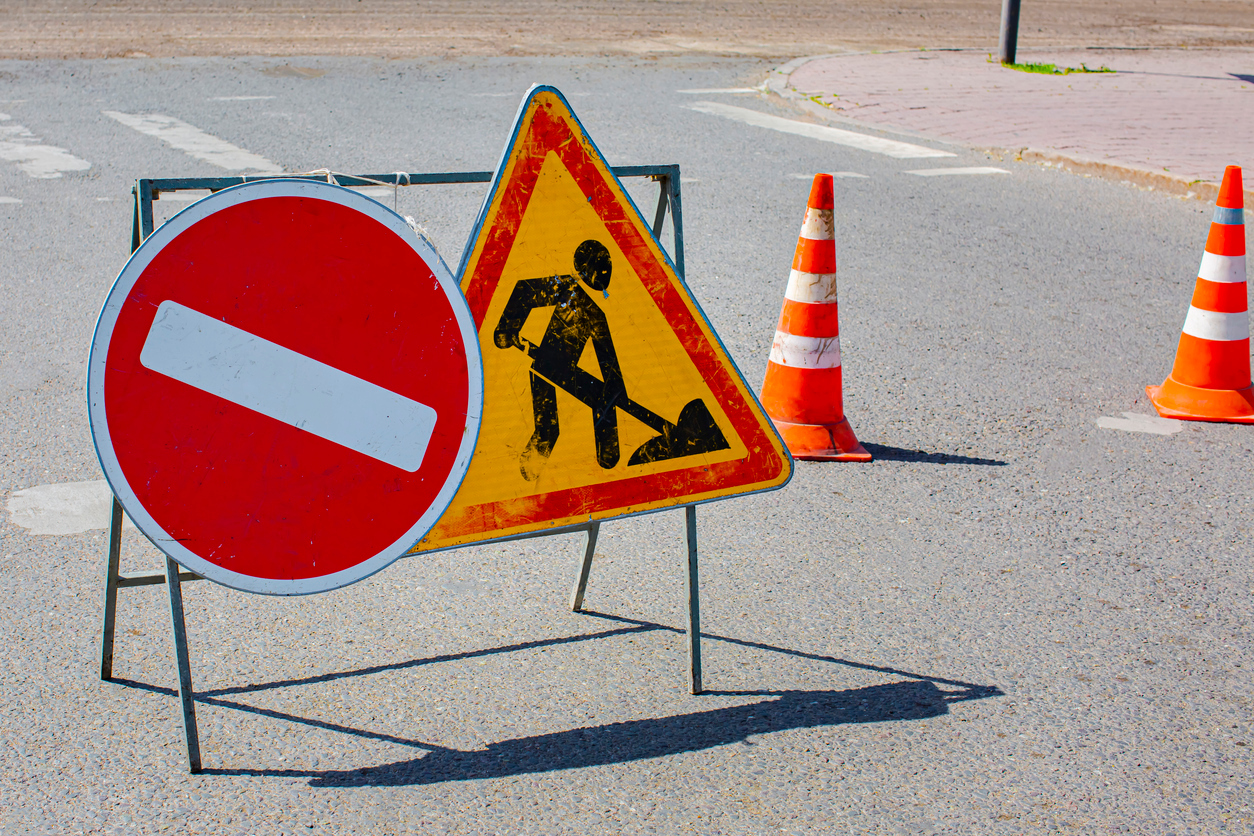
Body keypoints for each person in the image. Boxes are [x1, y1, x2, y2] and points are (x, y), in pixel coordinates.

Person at [494, 239, 625, 481]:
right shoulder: (566, 287)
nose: (606, 275)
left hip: (556, 370)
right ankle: (530, 474)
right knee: (555, 425)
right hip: (549, 366)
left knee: (589, 404)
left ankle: (608, 458)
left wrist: (616, 389)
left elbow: (607, 357)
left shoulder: (596, 313)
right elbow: (525, 290)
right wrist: (507, 328)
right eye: (603, 269)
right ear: (588, 267)